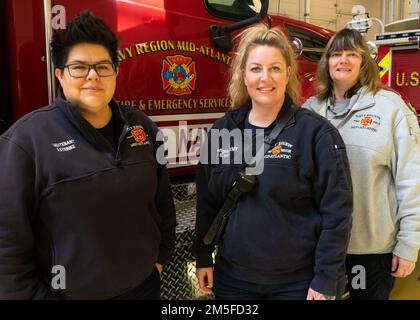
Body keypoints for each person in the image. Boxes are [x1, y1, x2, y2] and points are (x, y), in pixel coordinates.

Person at [0, 11, 176, 299]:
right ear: (59, 75)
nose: (93, 75)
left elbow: (163, 205)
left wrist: (158, 262)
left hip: (144, 289)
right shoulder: (25, 142)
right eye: (79, 67)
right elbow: (6, 246)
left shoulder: (142, 128)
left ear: (116, 72)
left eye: (103, 66)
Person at [194, 24, 353, 300]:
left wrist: (326, 279)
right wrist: (203, 255)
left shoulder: (317, 134)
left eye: (275, 68)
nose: (264, 78)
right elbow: (208, 201)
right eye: (255, 68)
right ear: (243, 74)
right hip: (233, 280)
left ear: (288, 73)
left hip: (297, 283)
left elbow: (337, 213)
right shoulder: (222, 131)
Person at [303, 28, 420, 300]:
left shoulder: (390, 109)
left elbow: (411, 180)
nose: (342, 60)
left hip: (370, 251)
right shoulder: (310, 111)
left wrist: (408, 244)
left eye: (351, 54)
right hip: (320, 248)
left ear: (364, 62)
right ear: (327, 62)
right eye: (335, 54)